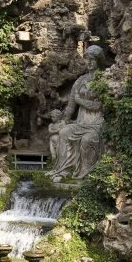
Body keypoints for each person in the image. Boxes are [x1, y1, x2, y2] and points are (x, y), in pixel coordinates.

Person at [49, 45, 107, 180]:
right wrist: (65, 120)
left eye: (93, 59)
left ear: (99, 60)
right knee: (64, 133)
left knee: (87, 140)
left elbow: (98, 105)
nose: (90, 62)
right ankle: (63, 170)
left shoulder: (103, 79)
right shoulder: (80, 80)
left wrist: (80, 100)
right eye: (87, 59)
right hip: (81, 122)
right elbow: (71, 106)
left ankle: (86, 174)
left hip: (97, 122)